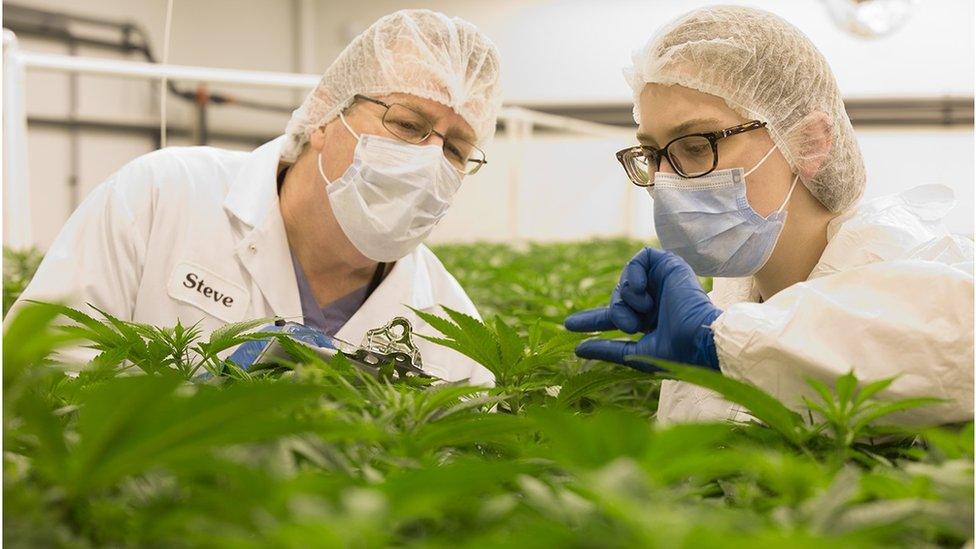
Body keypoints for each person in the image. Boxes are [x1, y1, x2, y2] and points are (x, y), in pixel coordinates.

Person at [12, 9, 502, 385]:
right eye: (407, 124)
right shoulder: (161, 196)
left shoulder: (447, 320)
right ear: (328, 116)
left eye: (456, 149)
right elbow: (30, 375)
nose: (429, 159)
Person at [565, 6, 973, 425]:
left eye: (695, 145)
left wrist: (719, 343)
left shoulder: (924, 273)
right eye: (652, 154)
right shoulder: (719, 306)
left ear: (810, 142)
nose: (665, 181)